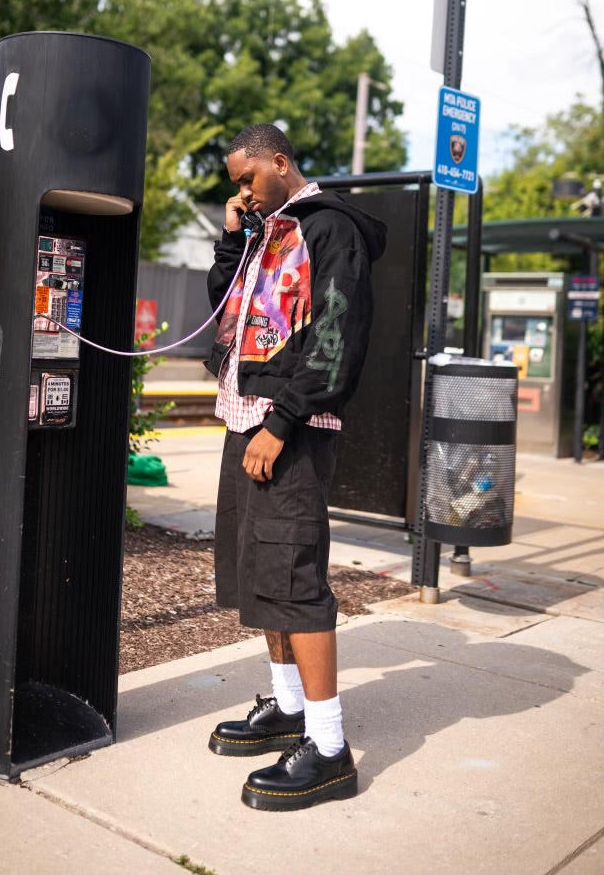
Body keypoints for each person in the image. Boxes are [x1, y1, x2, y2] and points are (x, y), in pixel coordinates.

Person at [204, 122, 386, 811]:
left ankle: (331, 749)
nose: (243, 192)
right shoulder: (266, 232)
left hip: (289, 428)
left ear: (279, 163)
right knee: (262, 572)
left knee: (295, 574)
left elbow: (339, 335)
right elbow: (222, 313)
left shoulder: (326, 230)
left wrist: (282, 424)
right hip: (243, 416)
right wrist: (233, 235)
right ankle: (287, 708)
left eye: (247, 179)